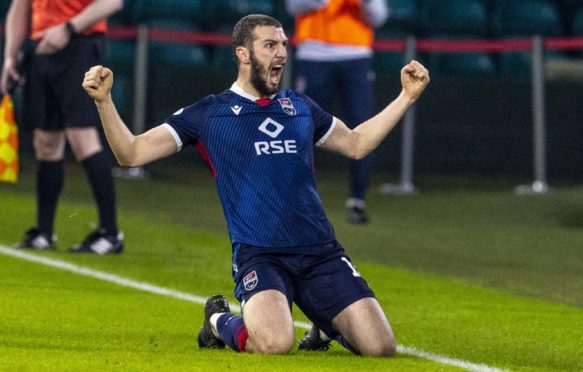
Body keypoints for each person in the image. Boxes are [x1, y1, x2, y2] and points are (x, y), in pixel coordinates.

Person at [82, 14, 428, 356]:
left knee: (381, 348)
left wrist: (406, 97)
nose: (281, 53)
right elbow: (132, 152)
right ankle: (218, 320)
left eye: (283, 44)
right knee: (274, 344)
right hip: (260, 255)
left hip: (320, 252)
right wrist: (104, 101)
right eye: (269, 45)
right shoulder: (209, 114)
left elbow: (356, 143)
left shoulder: (300, 107)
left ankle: (325, 323)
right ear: (242, 53)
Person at [1, 0, 124, 254]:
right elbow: (20, 6)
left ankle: (110, 233)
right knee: (45, 141)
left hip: (80, 43)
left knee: (82, 137)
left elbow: (113, 2)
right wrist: (10, 57)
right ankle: (44, 233)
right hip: (41, 46)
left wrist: (68, 28)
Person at [285, 0, 388, 224]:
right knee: (300, 126)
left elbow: (378, 17)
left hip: (356, 55)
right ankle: (291, 197)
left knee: (363, 126)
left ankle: (357, 199)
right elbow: (293, 6)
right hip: (314, 54)